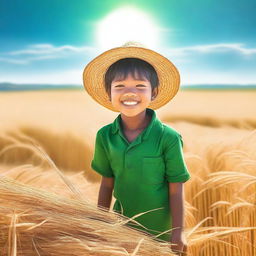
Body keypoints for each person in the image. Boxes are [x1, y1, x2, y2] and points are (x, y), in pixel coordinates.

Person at [83, 41, 191, 255]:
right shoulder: (104, 136)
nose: (130, 92)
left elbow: (176, 187)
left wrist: (178, 233)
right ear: (109, 93)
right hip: (121, 229)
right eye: (120, 86)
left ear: (154, 93)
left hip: (161, 232)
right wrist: (101, 222)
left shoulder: (167, 137)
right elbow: (107, 184)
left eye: (140, 86)